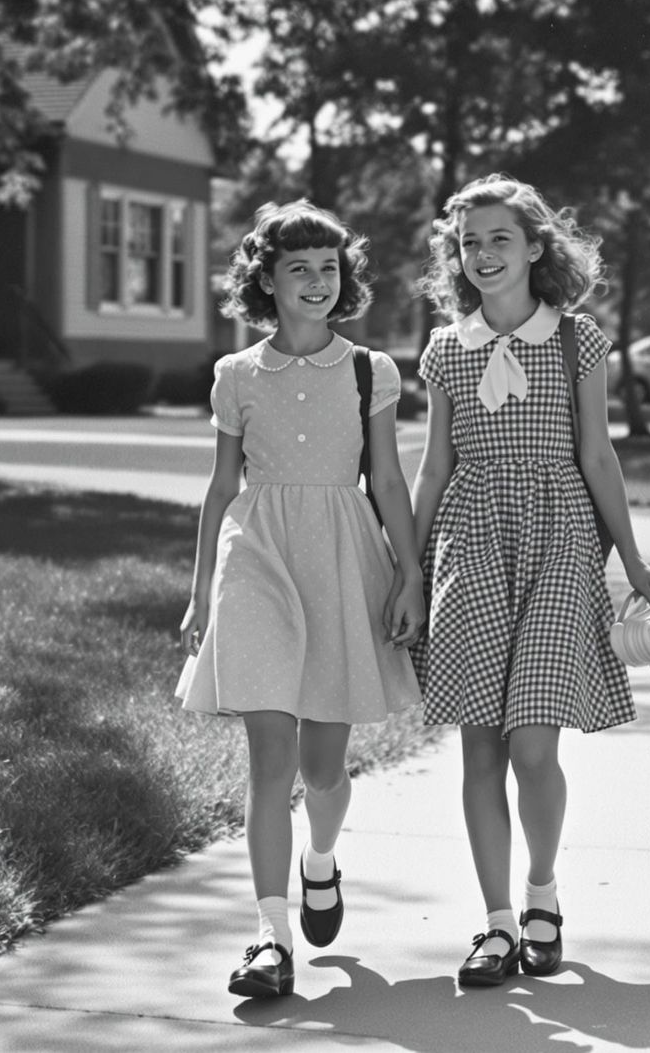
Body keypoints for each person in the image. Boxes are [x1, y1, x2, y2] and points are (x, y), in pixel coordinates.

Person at [409, 174, 650, 988]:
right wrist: (407, 570)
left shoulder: (577, 341)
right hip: (470, 541)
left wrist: (633, 562)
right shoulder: (445, 349)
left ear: (535, 247)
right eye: (469, 243)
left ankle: (542, 896)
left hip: (562, 538)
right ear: (456, 258)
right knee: (480, 744)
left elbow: (598, 455)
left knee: (534, 740)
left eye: (500, 238)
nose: (484, 254)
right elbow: (433, 466)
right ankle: (495, 925)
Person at [178, 200, 424, 999]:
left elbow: (386, 479)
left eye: (329, 268)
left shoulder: (370, 369)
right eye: (299, 270)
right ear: (267, 281)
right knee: (268, 759)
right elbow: (220, 488)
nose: (317, 282)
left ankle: (321, 861)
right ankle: (270, 936)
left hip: (344, 558)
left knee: (323, 767)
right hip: (256, 557)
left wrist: (410, 571)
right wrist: (198, 596)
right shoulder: (236, 375)